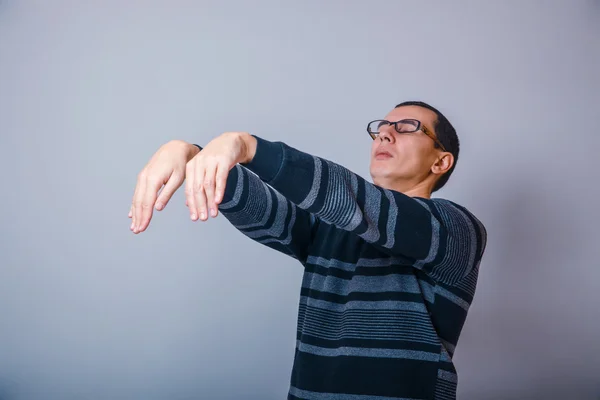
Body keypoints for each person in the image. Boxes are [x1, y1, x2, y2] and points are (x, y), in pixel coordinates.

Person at [128, 101, 488, 400]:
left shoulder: (456, 230)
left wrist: (248, 147)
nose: (385, 132)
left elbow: (357, 202)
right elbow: (264, 208)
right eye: (382, 126)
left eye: (408, 126)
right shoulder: (330, 229)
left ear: (440, 162)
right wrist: (193, 154)